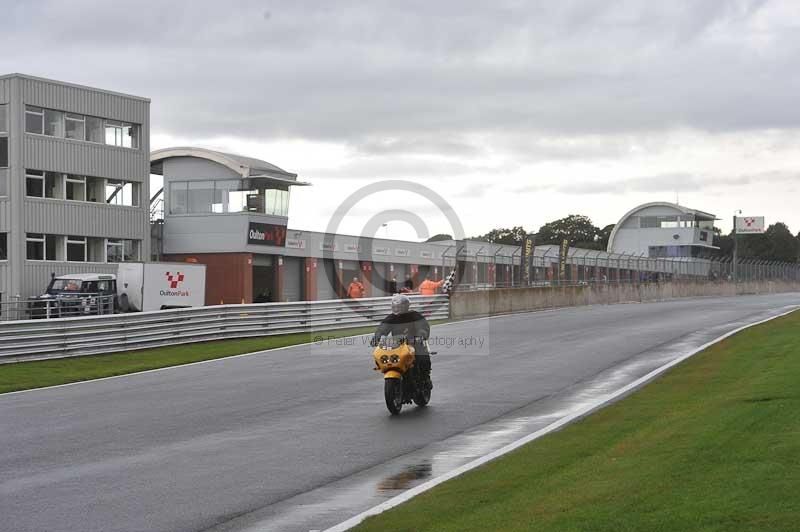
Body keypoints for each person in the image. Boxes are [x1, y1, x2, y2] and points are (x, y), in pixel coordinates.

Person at [372, 294, 432, 389]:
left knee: (422, 357)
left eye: (399, 307)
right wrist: (376, 337)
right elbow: (382, 329)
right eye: (394, 307)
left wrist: (421, 335)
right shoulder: (391, 318)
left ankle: (425, 378)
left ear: (406, 306)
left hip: (414, 343)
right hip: (398, 345)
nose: (396, 309)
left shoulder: (414, 316)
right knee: (390, 358)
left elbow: (422, 327)